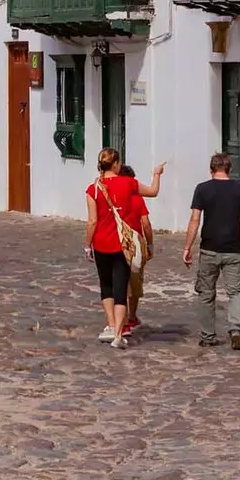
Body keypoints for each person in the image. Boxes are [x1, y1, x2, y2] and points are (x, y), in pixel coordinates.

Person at [183, 152, 240, 350]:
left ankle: (208, 336)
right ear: (230, 169)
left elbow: (195, 220)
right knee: (237, 291)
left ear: (211, 169)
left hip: (209, 248)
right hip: (233, 249)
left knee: (206, 293)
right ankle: (236, 329)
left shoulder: (202, 189)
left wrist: (188, 246)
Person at [84, 150, 148, 350]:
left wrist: (87, 245)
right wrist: (157, 174)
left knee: (106, 286)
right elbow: (153, 191)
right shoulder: (128, 183)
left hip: (101, 243)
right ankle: (119, 334)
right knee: (121, 287)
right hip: (122, 244)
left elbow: (92, 221)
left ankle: (111, 325)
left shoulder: (93, 189)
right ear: (116, 164)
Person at [111, 154, 164, 333]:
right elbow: (146, 224)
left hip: (114, 242)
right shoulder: (136, 198)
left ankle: (120, 321)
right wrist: (149, 244)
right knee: (134, 281)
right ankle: (131, 317)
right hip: (133, 244)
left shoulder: (110, 195)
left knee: (118, 283)